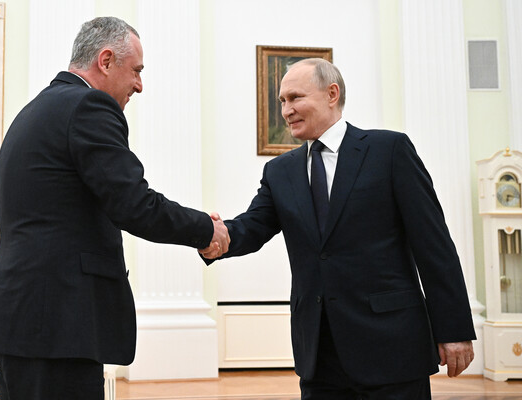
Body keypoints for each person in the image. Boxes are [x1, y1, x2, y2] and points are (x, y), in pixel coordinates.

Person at [0, 17, 229, 400]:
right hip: (57, 322)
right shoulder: (88, 106)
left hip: (25, 318)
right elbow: (134, 204)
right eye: (137, 71)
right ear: (106, 60)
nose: (140, 85)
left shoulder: (38, 109)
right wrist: (206, 229)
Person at [200, 58, 475, 399]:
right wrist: (209, 234)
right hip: (319, 352)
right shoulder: (280, 171)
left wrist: (454, 329)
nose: (286, 110)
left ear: (332, 94)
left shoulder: (389, 150)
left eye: (295, 98)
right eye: (282, 101)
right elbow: (252, 226)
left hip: (392, 346)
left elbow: (434, 245)